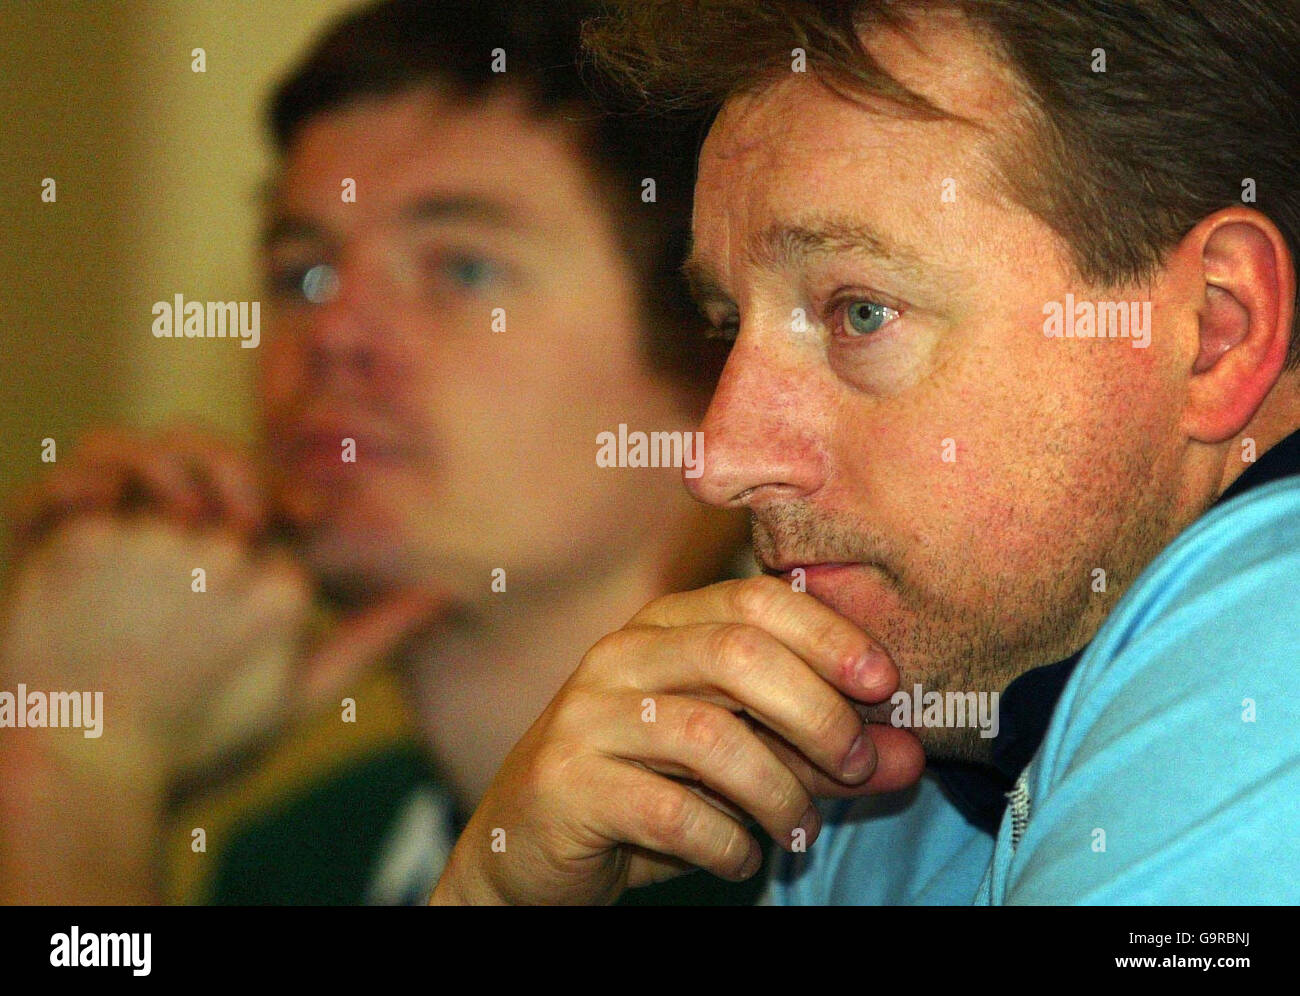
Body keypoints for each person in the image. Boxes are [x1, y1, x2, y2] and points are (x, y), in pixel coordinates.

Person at [430, 0, 1300, 905]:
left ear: (1214, 331)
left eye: (860, 313)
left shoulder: (1276, 648)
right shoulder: (903, 772)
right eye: (727, 327)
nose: (721, 460)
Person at [0, 0, 755, 905]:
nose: (331, 332)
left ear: (712, 356)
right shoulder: (300, 857)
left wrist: (76, 776)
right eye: (302, 274)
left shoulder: (834, 859)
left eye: (460, 268)